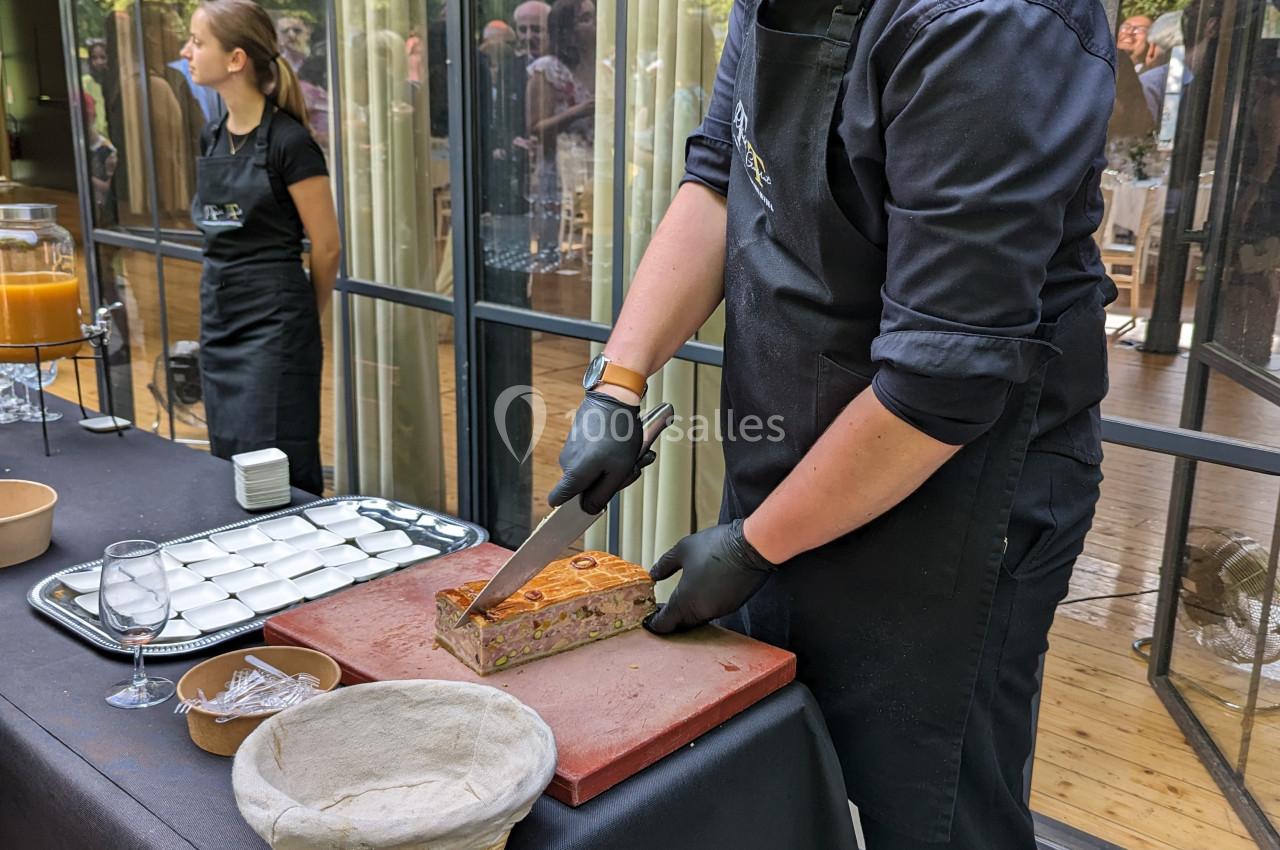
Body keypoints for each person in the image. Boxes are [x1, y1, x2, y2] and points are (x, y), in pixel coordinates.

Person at [546, 1, 1114, 848]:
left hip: (958, 503)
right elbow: (720, 179)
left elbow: (937, 388)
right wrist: (617, 385)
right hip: (799, 476)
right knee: (776, 773)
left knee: (931, 814)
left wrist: (752, 546)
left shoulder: (991, 27)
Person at [181, 0, 340, 496]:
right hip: (221, 315)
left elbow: (328, 246)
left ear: (236, 59)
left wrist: (300, 319)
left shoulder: (290, 143)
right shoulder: (211, 136)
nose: (186, 50)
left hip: (275, 322)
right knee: (229, 451)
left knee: (277, 460)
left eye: (198, 41)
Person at [526, 0, 595, 260]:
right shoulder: (546, 69)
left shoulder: (600, 66)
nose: (596, 25)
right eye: (586, 19)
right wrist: (579, 111)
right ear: (568, 28)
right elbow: (535, 127)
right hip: (559, 172)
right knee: (550, 251)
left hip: (593, 172)